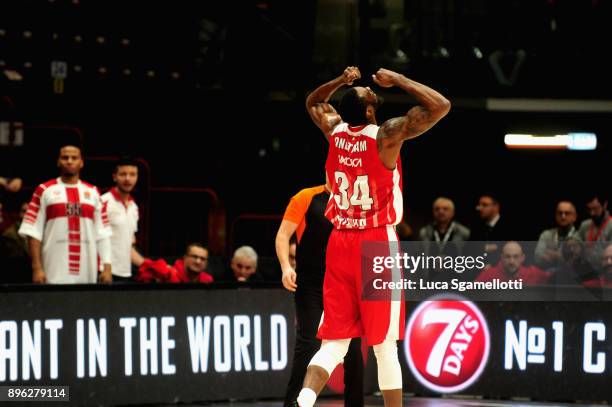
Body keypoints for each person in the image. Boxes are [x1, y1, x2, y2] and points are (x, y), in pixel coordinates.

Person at [296, 66, 450, 407]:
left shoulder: (334, 130)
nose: (368, 87)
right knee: (384, 345)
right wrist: (400, 81)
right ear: (369, 111)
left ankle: (303, 402)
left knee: (334, 343)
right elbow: (441, 106)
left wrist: (338, 81)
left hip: (339, 241)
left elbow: (313, 102)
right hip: (376, 242)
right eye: (366, 93)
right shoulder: (386, 135)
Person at [275, 184, 363, 407]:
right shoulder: (307, 197)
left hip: (345, 284)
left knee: (352, 351)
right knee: (308, 344)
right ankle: (293, 403)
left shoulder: (358, 197)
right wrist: (286, 266)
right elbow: (283, 235)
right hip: (311, 283)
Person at [18, 144, 112, 284]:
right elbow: (33, 232)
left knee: (85, 305)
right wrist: (37, 268)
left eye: (74, 158)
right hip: (53, 269)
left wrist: (107, 267)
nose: (69, 161)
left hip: (87, 271)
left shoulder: (93, 192)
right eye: (65, 157)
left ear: (81, 163)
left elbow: (102, 233)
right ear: (58, 161)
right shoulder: (43, 190)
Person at [101, 157, 145, 283]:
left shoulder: (134, 207)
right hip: (103, 273)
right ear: (114, 177)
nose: (127, 179)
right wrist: (105, 268)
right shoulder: (103, 202)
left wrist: (149, 265)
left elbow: (128, 246)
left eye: (132, 174)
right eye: (123, 174)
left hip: (125, 273)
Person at [475, 241, 551, 285]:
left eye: (516, 257)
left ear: (522, 258)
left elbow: (552, 280)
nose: (511, 261)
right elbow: (471, 292)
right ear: (501, 257)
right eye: (507, 257)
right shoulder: (489, 274)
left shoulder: (534, 273)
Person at [136, 242, 213, 283]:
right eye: (194, 257)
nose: (198, 261)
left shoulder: (208, 280)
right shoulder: (167, 272)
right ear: (185, 258)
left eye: (202, 259)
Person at [534, 200, 578, 270]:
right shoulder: (546, 235)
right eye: (560, 213)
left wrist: (555, 256)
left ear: (574, 217)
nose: (563, 216)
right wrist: (563, 257)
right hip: (548, 276)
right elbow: (537, 257)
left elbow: (576, 262)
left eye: (567, 213)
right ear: (556, 215)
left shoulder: (579, 236)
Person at [577, 193, 611, 271]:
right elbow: (575, 241)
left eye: (595, 209)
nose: (592, 213)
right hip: (585, 269)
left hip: (605, 270)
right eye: (589, 209)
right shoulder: (585, 225)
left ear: (605, 205)